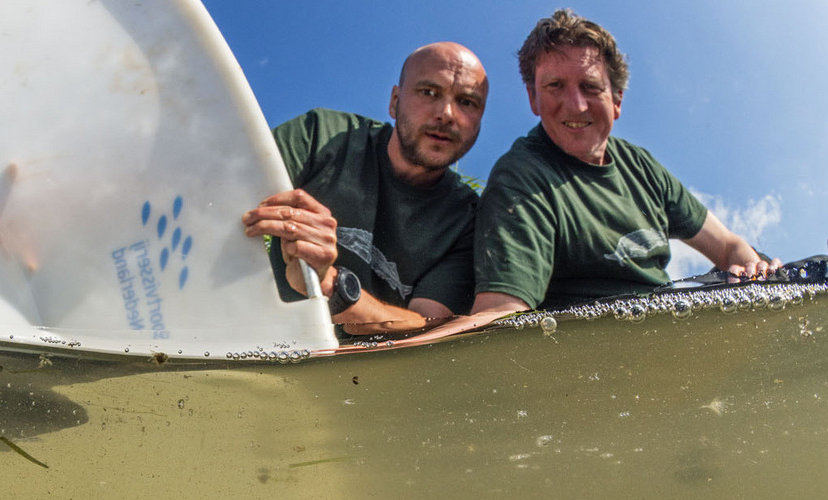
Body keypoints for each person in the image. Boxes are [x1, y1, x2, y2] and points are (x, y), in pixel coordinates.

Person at [471, 9, 780, 316]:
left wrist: (755, 270)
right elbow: (501, 314)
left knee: (815, 268)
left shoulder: (641, 165)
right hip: (591, 354)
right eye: (555, 86)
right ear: (533, 99)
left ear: (617, 100)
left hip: (672, 327)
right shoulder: (520, 176)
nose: (576, 106)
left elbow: (728, 246)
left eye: (590, 87)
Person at [242, 42, 488, 334]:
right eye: (429, 92)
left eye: (467, 102)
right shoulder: (319, 136)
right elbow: (216, 202)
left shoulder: (469, 220)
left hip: (369, 370)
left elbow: (426, 330)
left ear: (480, 122)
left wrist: (329, 283)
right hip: (256, 338)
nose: (447, 113)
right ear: (395, 101)